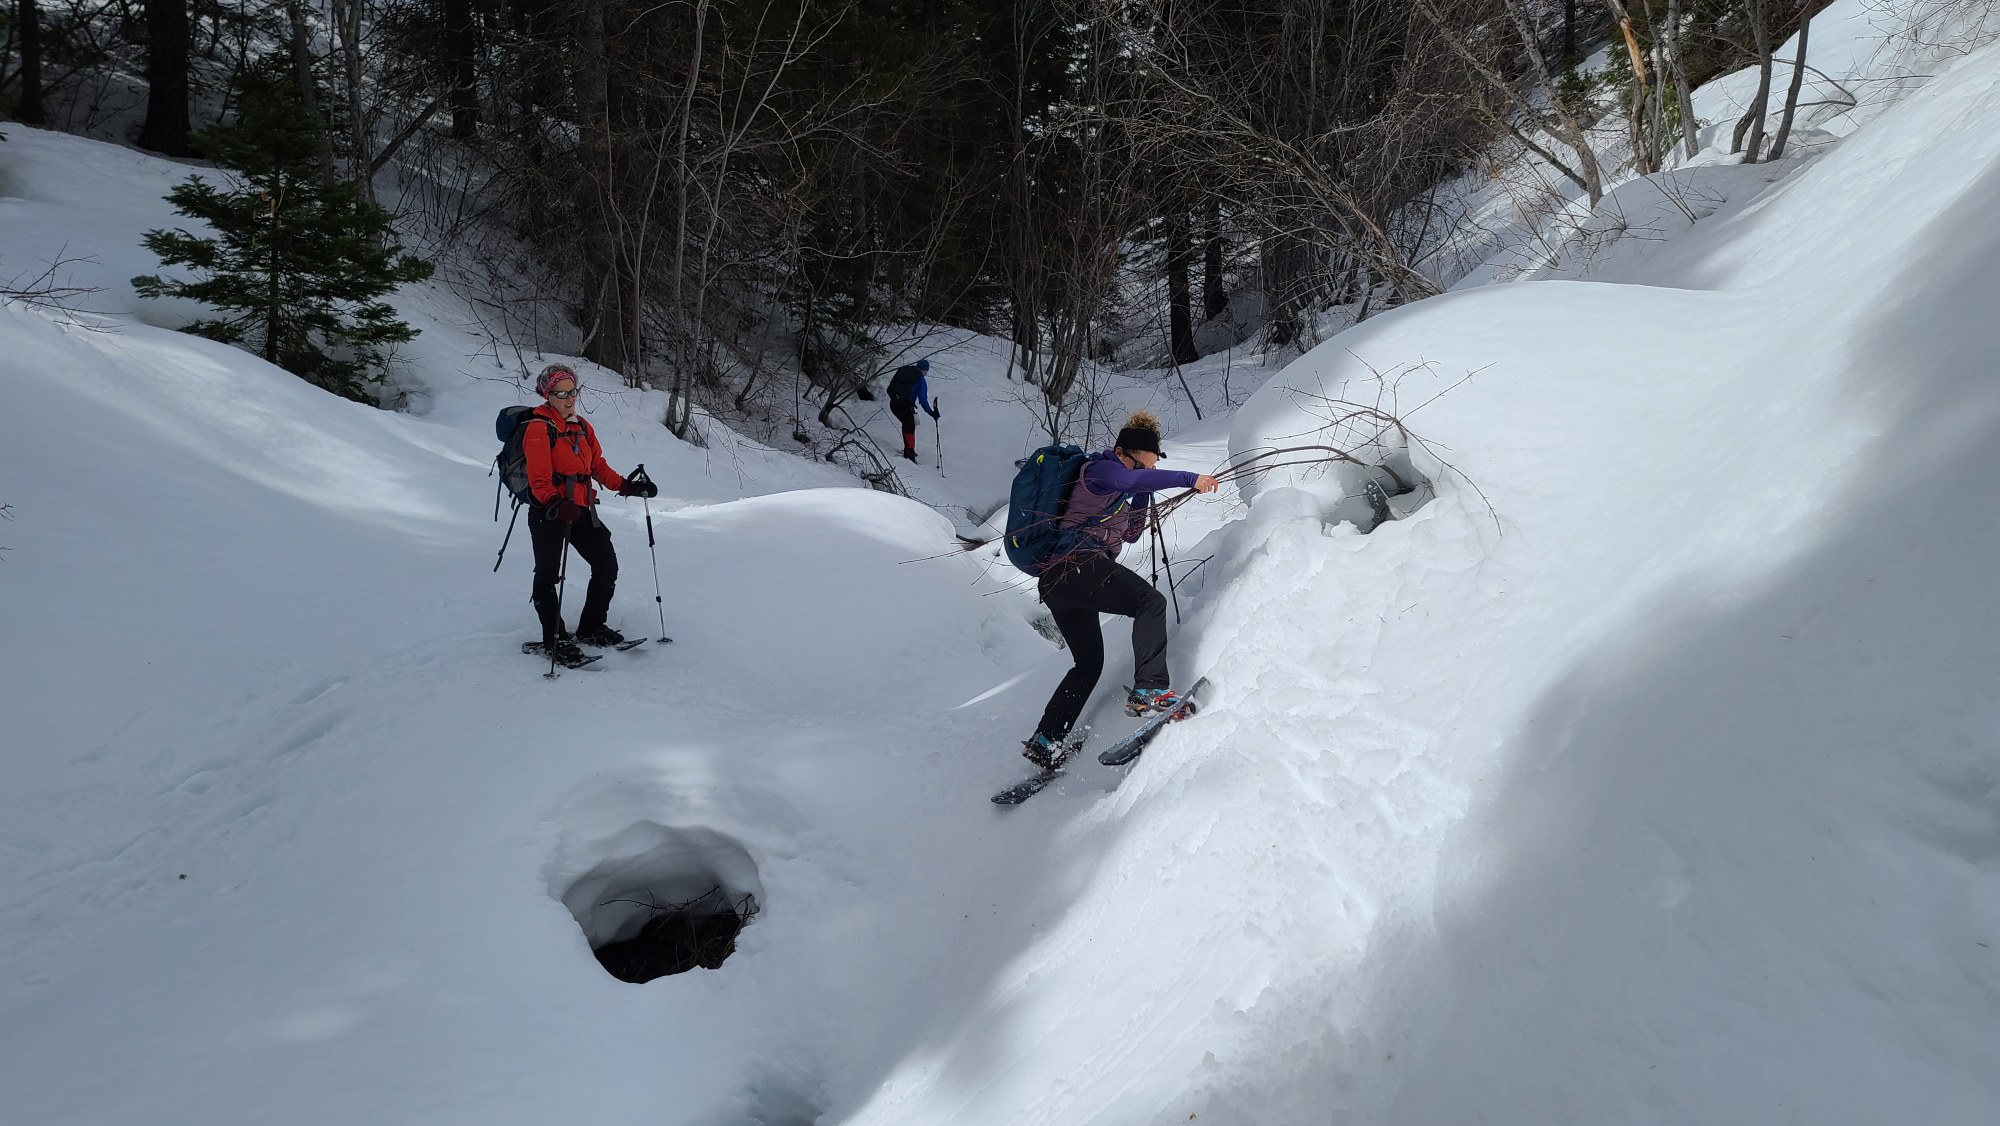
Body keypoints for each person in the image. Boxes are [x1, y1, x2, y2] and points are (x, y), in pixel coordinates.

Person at [1022, 409, 1219, 768]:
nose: (1143, 471)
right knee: (1150, 602)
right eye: (1141, 465)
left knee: (1088, 664)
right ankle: (1150, 690)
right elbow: (1129, 481)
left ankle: (1046, 740)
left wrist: (1143, 490)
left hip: (1061, 584)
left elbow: (1131, 533)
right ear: (1121, 453)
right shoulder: (1098, 470)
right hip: (1074, 567)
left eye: (1150, 467)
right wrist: (1190, 478)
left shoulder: (1119, 491)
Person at [522, 364, 657, 666]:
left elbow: (597, 467)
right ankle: (554, 640)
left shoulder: (582, 426)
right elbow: (539, 480)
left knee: (606, 565)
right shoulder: (538, 428)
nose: (569, 398)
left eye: (573, 391)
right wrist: (556, 503)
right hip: (549, 512)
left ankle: (591, 628)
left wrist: (628, 487)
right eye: (561, 393)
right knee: (547, 575)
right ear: (547, 395)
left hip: (581, 509)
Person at [885, 358, 938, 462]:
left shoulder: (905, 371)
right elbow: (922, 398)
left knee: (907, 425)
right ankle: (909, 454)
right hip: (905, 406)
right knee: (909, 427)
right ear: (924, 370)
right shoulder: (920, 379)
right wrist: (930, 412)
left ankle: (908, 450)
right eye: (926, 371)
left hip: (894, 404)